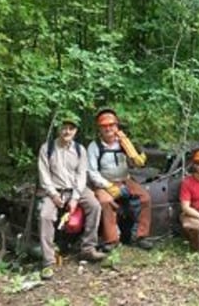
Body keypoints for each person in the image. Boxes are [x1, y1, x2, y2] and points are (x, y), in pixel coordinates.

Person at [38, 113, 105, 280]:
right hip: (55, 189)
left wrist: (75, 197)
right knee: (44, 216)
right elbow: (44, 175)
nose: (67, 131)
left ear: (75, 131)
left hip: (76, 189)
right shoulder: (47, 149)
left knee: (95, 206)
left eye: (71, 128)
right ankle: (48, 262)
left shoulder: (79, 150)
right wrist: (53, 195)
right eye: (64, 127)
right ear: (58, 129)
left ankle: (88, 249)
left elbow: (82, 175)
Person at [87, 108, 153, 251]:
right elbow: (92, 172)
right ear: (100, 129)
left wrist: (136, 158)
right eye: (105, 126)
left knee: (145, 198)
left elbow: (136, 163)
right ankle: (111, 240)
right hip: (104, 182)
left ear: (117, 126)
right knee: (105, 202)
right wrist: (107, 186)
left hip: (124, 179)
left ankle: (141, 236)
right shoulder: (94, 146)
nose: (109, 129)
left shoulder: (124, 143)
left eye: (111, 125)